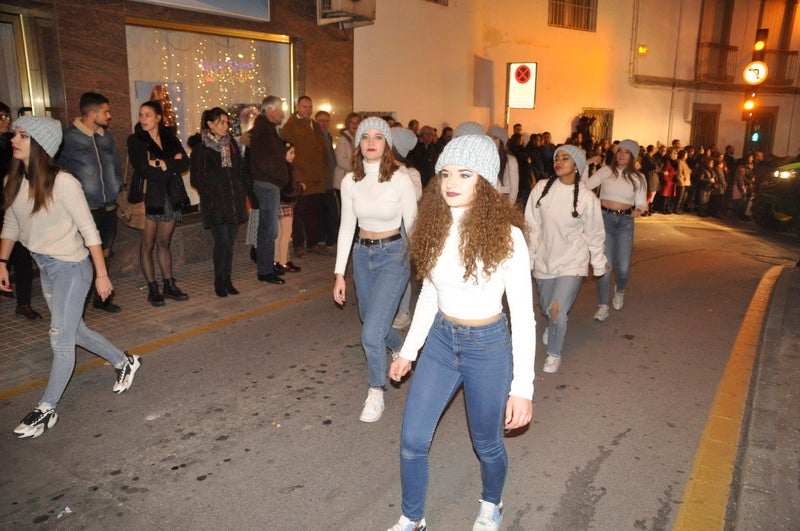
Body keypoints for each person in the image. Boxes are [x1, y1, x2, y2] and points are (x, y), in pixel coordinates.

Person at [387, 135, 535, 531]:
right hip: (440, 341)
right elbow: (431, 293)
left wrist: (524, 387)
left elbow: (523, 316)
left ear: (484, 182)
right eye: (447, 173)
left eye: (465, 174)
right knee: (412, 440)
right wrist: (409, 350)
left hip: (487, 347)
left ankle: (492, 504)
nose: (452, 182)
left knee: (486, 443)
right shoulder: (432, 225)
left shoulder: (508, 235)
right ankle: (413, 518)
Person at [1, 116, 141, 439]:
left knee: (60, 339)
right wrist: (1, 260)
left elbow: (90, 230)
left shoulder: (64, 182)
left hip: (73, 269)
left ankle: (46, 409)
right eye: (15, 134)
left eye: (22, 135)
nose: (14, 139)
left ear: (39, 144)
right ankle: (124, 362)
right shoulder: (15, 178)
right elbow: (11, 221)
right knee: (74, 330)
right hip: (47, 267)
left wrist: (102, 276)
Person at [333, 117, 417, 423]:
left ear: (387, 143)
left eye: (378, 137)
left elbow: (413, 223)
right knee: (370, 320)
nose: (371, 142)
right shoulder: (349, 181)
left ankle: (376, 391)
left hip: (394, 255)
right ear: (358, 144)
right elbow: (346, 227)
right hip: (361, 255)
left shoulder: (400, 178)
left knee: (370, 335)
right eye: (365, 136)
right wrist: (339, 274)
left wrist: (425, 264)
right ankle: (403, 345)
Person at [525, 144, 607, 374]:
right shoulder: (542, 189)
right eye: (556, 158)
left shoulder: (587, 198)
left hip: (573, 261)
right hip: (544, 259)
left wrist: (598, 262)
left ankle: (554, 353)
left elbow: (595, 233)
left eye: (565, 158)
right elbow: (531, 225)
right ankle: (553, 325)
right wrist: (530, 257)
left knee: (557, 310)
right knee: (546, 306)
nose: (558, 161)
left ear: (578, 165)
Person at [58, 92, 123, 312]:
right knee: (84, 258)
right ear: (92, 113)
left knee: (104, 253)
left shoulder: (106, 137)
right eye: (106, 111)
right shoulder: (69, 138)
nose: (109, 115)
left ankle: (101, 298)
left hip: (109, 206)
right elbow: (58, 171)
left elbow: (115, 164)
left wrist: (117, 186)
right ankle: (79, 304)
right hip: (85, 209)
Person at [128, 101, 191, 306]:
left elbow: (185, 163)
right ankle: (153, 287)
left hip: (171, 196)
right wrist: (170, 165)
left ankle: (168, 284)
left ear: (158, 118)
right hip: (149, 198)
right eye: (141, 115)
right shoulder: (136, 140)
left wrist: (163, 163)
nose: (143, 119)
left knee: (164, 243)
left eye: (147, 115)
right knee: (147, 244)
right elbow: (142, 168)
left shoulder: (170, 138)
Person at [189, 107, 250, 297]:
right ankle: (219, 279)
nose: (225, 126)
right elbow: (195, 179)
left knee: (229, 242)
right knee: (222, 241)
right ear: (210, 124)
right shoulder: (201, 148)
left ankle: (227, 278)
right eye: (221, 122)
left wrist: (240, 189)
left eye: (226, 122)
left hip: (233, 201)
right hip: (215, 204)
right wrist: (211, 190)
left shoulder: (231, 144)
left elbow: (240, 170)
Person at [584, 139, 647, 322]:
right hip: (604, 220)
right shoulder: (606, 171)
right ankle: (603, 305)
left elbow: (642, 202)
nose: (622, 154)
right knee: (605, 265)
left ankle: (619, 290)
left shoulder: (638, 177)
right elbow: (585, 186)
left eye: (627, 152)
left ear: (633, 156)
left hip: (625, 222)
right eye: (620, 150)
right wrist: (587, 164)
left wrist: (639, 210)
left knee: (623, 267)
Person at [0, 101, 41, 320]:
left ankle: (23, 303)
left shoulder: (12, 144)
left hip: (14, 207)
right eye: (2, 117)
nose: (7, 121)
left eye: (7, 116)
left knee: (22, 257)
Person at [281, 96, 329, 257]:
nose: (308, 109)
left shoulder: (315, 125)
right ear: (297, 107)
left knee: (313, 213)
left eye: (310, 106)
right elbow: (286, 150)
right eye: (304, 106)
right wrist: (293, 174)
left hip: (316, 178)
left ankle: (313, 243)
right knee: (299, 214)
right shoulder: (290, 126)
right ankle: (298, 245)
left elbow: (322, 148)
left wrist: (323, 167)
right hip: (300, 177)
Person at [248, 95, 289, 285]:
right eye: (280, 109)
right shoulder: (263, 130)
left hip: (270, 184)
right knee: (268, 229)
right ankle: (264, 270)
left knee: (269, 229)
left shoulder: (267, 129)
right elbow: (264, 161)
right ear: (270, 110)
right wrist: (280, 171)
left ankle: (267, 267)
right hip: (266, 185)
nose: (282, 113)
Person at [275, 141, 303, 274]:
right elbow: (287, 189)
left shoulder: (279, 167)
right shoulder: (285, 168)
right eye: (291, 153)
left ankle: (277, 260)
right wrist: (300, 188)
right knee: (286, 234)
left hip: (279, 202)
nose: (294, 155)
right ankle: (283, 262)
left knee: (280, 234)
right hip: (285, 203)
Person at [487, 126, 519, 205]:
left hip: (503, 202)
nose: (491, 141)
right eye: (489, 137)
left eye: (495, 138)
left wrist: (509, 207)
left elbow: (514, 188)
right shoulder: (486, 158)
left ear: (502, 141)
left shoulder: (510, 160)